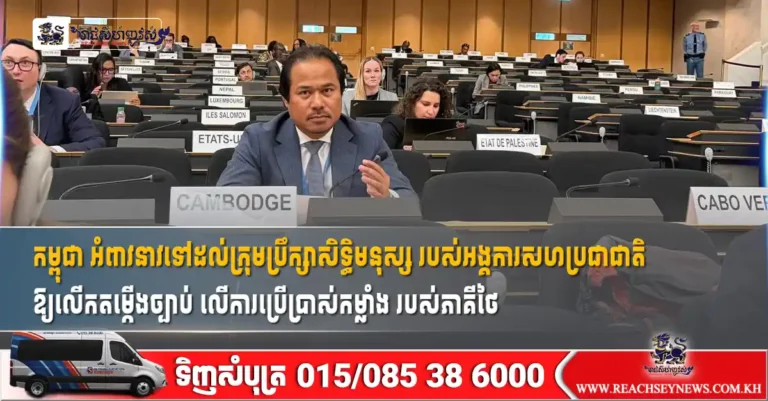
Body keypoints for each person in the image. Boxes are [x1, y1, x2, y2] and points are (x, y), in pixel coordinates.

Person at [217, 45, 415, 198]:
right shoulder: (258, 140)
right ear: (286, 100)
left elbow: (409, 201)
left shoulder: (368, 139)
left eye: (327, 90)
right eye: (305, 92)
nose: (318, 103)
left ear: (341, 93)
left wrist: (388, 197)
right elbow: (226, 202)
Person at [2, 39, 105, 152]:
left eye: (25, 63)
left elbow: (95, 142)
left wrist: (49, 151)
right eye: (8, 63)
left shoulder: (65, 101)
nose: (16, 71)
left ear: (41, 71)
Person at [380, 79, 454, 150]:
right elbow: (383, 156)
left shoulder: (445, 128)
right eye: (425, 104)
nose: (431, 112)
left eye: (436, 106)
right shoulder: (393, 125)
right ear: (412, 103)